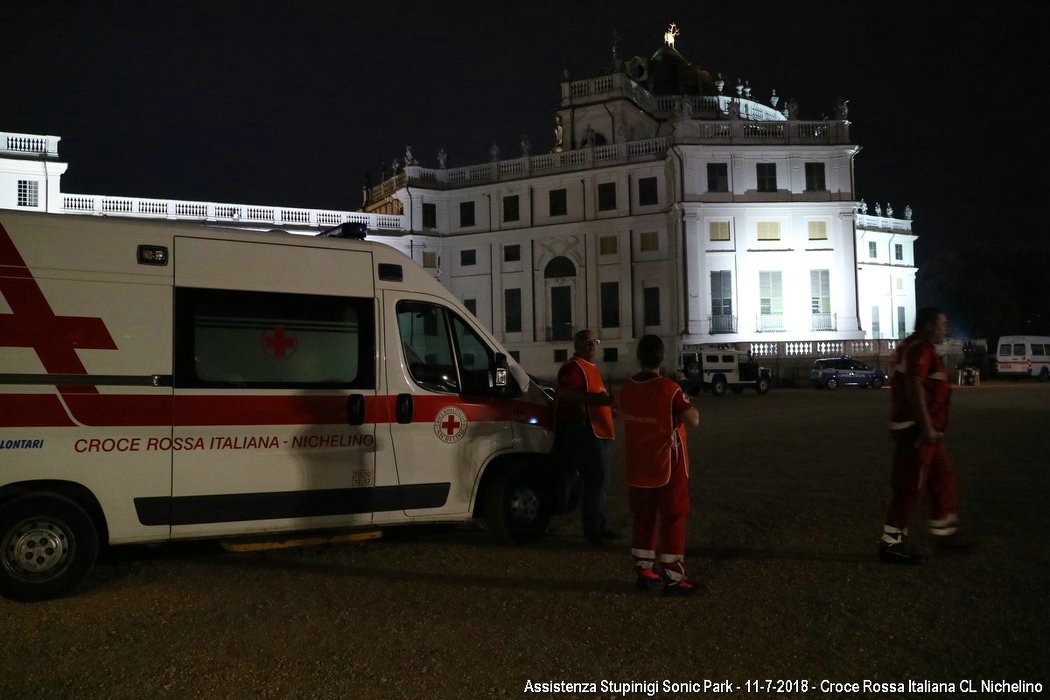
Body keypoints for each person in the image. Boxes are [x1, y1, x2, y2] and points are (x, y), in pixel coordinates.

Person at [880, 307, 971, 564]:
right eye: (942, 324)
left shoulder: (920, 347)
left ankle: (945, 533)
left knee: (942, 478)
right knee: (911, 484)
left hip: (926, 429)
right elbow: (914, 385)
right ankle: (891, 543)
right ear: (929, 325)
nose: (946, 329)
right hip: (917, 429)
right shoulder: (919, 349)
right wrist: (927, 426)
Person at [619, 335, 700, 595]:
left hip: (638, 463)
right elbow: (694, 419)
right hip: (667, 463)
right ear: (662, 357)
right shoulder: (669, 388)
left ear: (639, 357)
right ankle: (674, 576)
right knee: (673, 517)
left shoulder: (627, 388)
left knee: (643, 517)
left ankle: (644, 570)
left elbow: (621, 411)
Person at [555, 330, 618, 545]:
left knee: (602, 481)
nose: (592, 345)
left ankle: (600, 524)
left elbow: (595, 397)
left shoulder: (590, 367)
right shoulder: (573, 367)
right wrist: (597, 401)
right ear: (577, 344)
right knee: (595, 479)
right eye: (588, 341)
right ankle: (593, 530)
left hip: (598, 430)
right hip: (583, 430)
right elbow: (567, 394)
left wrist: (608, 408)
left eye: (595, 341)